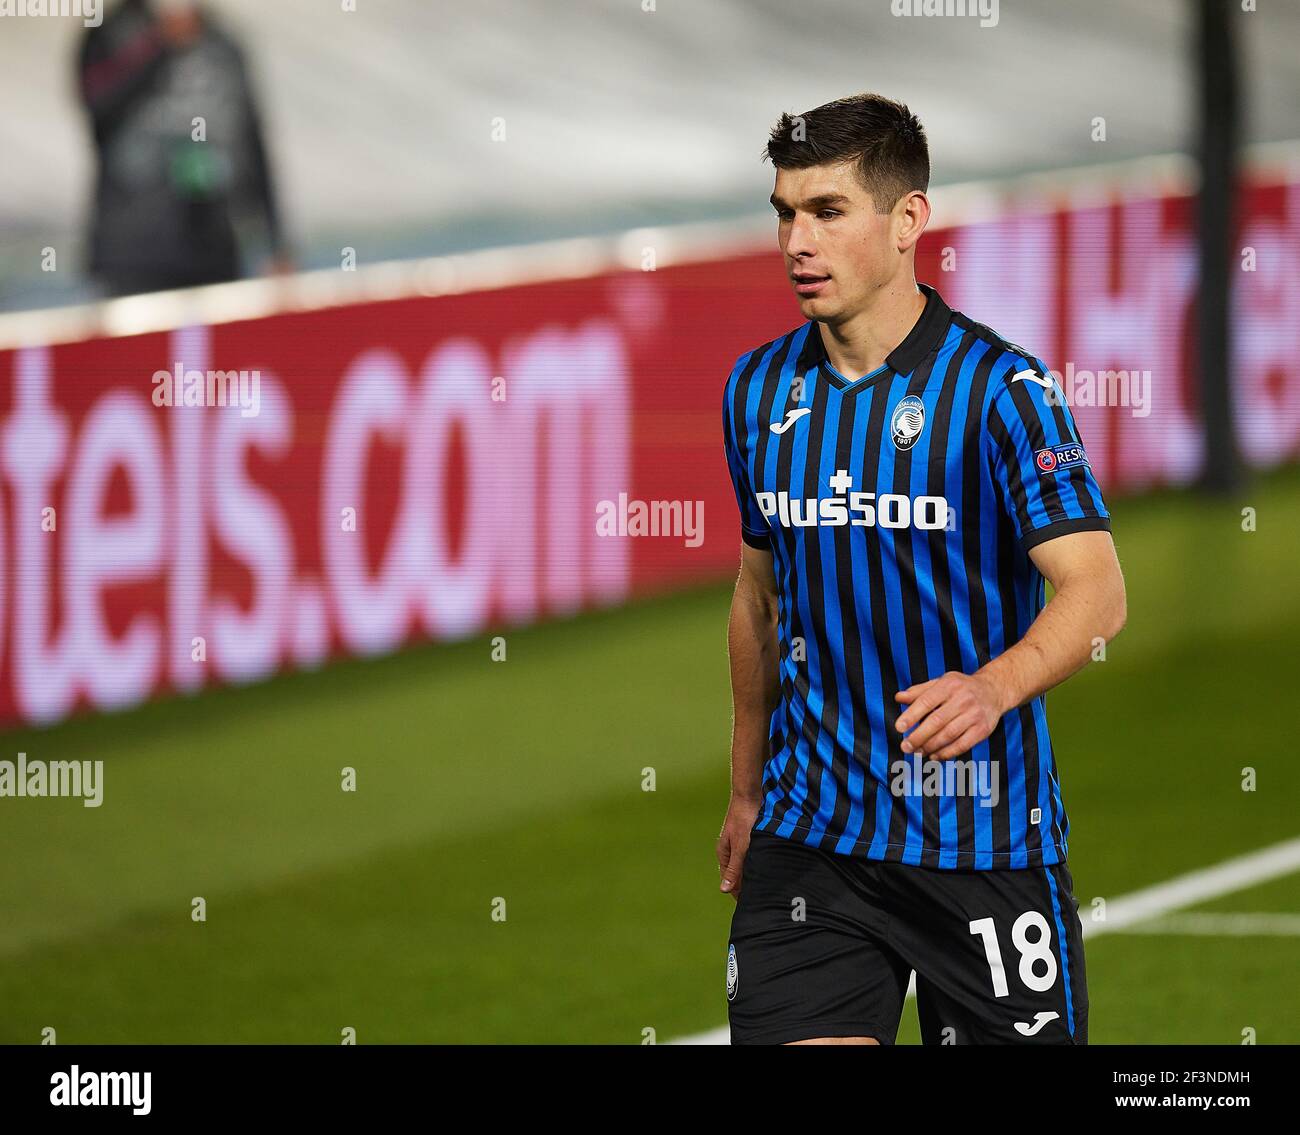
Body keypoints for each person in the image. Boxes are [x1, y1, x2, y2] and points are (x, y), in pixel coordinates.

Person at [718, 92, 1126, 1045]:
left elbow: (1098, 588)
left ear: (907, 222)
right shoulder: (758, 390)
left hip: (980, 840)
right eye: (784, 212)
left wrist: (994, 686)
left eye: (826, 211)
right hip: (811, 842)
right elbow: (757, 596)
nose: (795, 242)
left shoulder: (1001, 391)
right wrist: (746, 791)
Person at [77, 0, 289, 297]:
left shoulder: (222, 42)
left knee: (206, 343)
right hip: (131, 258)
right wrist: (160, 44)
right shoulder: (108, 30)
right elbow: (96, 105)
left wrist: (275, 241)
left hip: (215, 250)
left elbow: (252, 142)